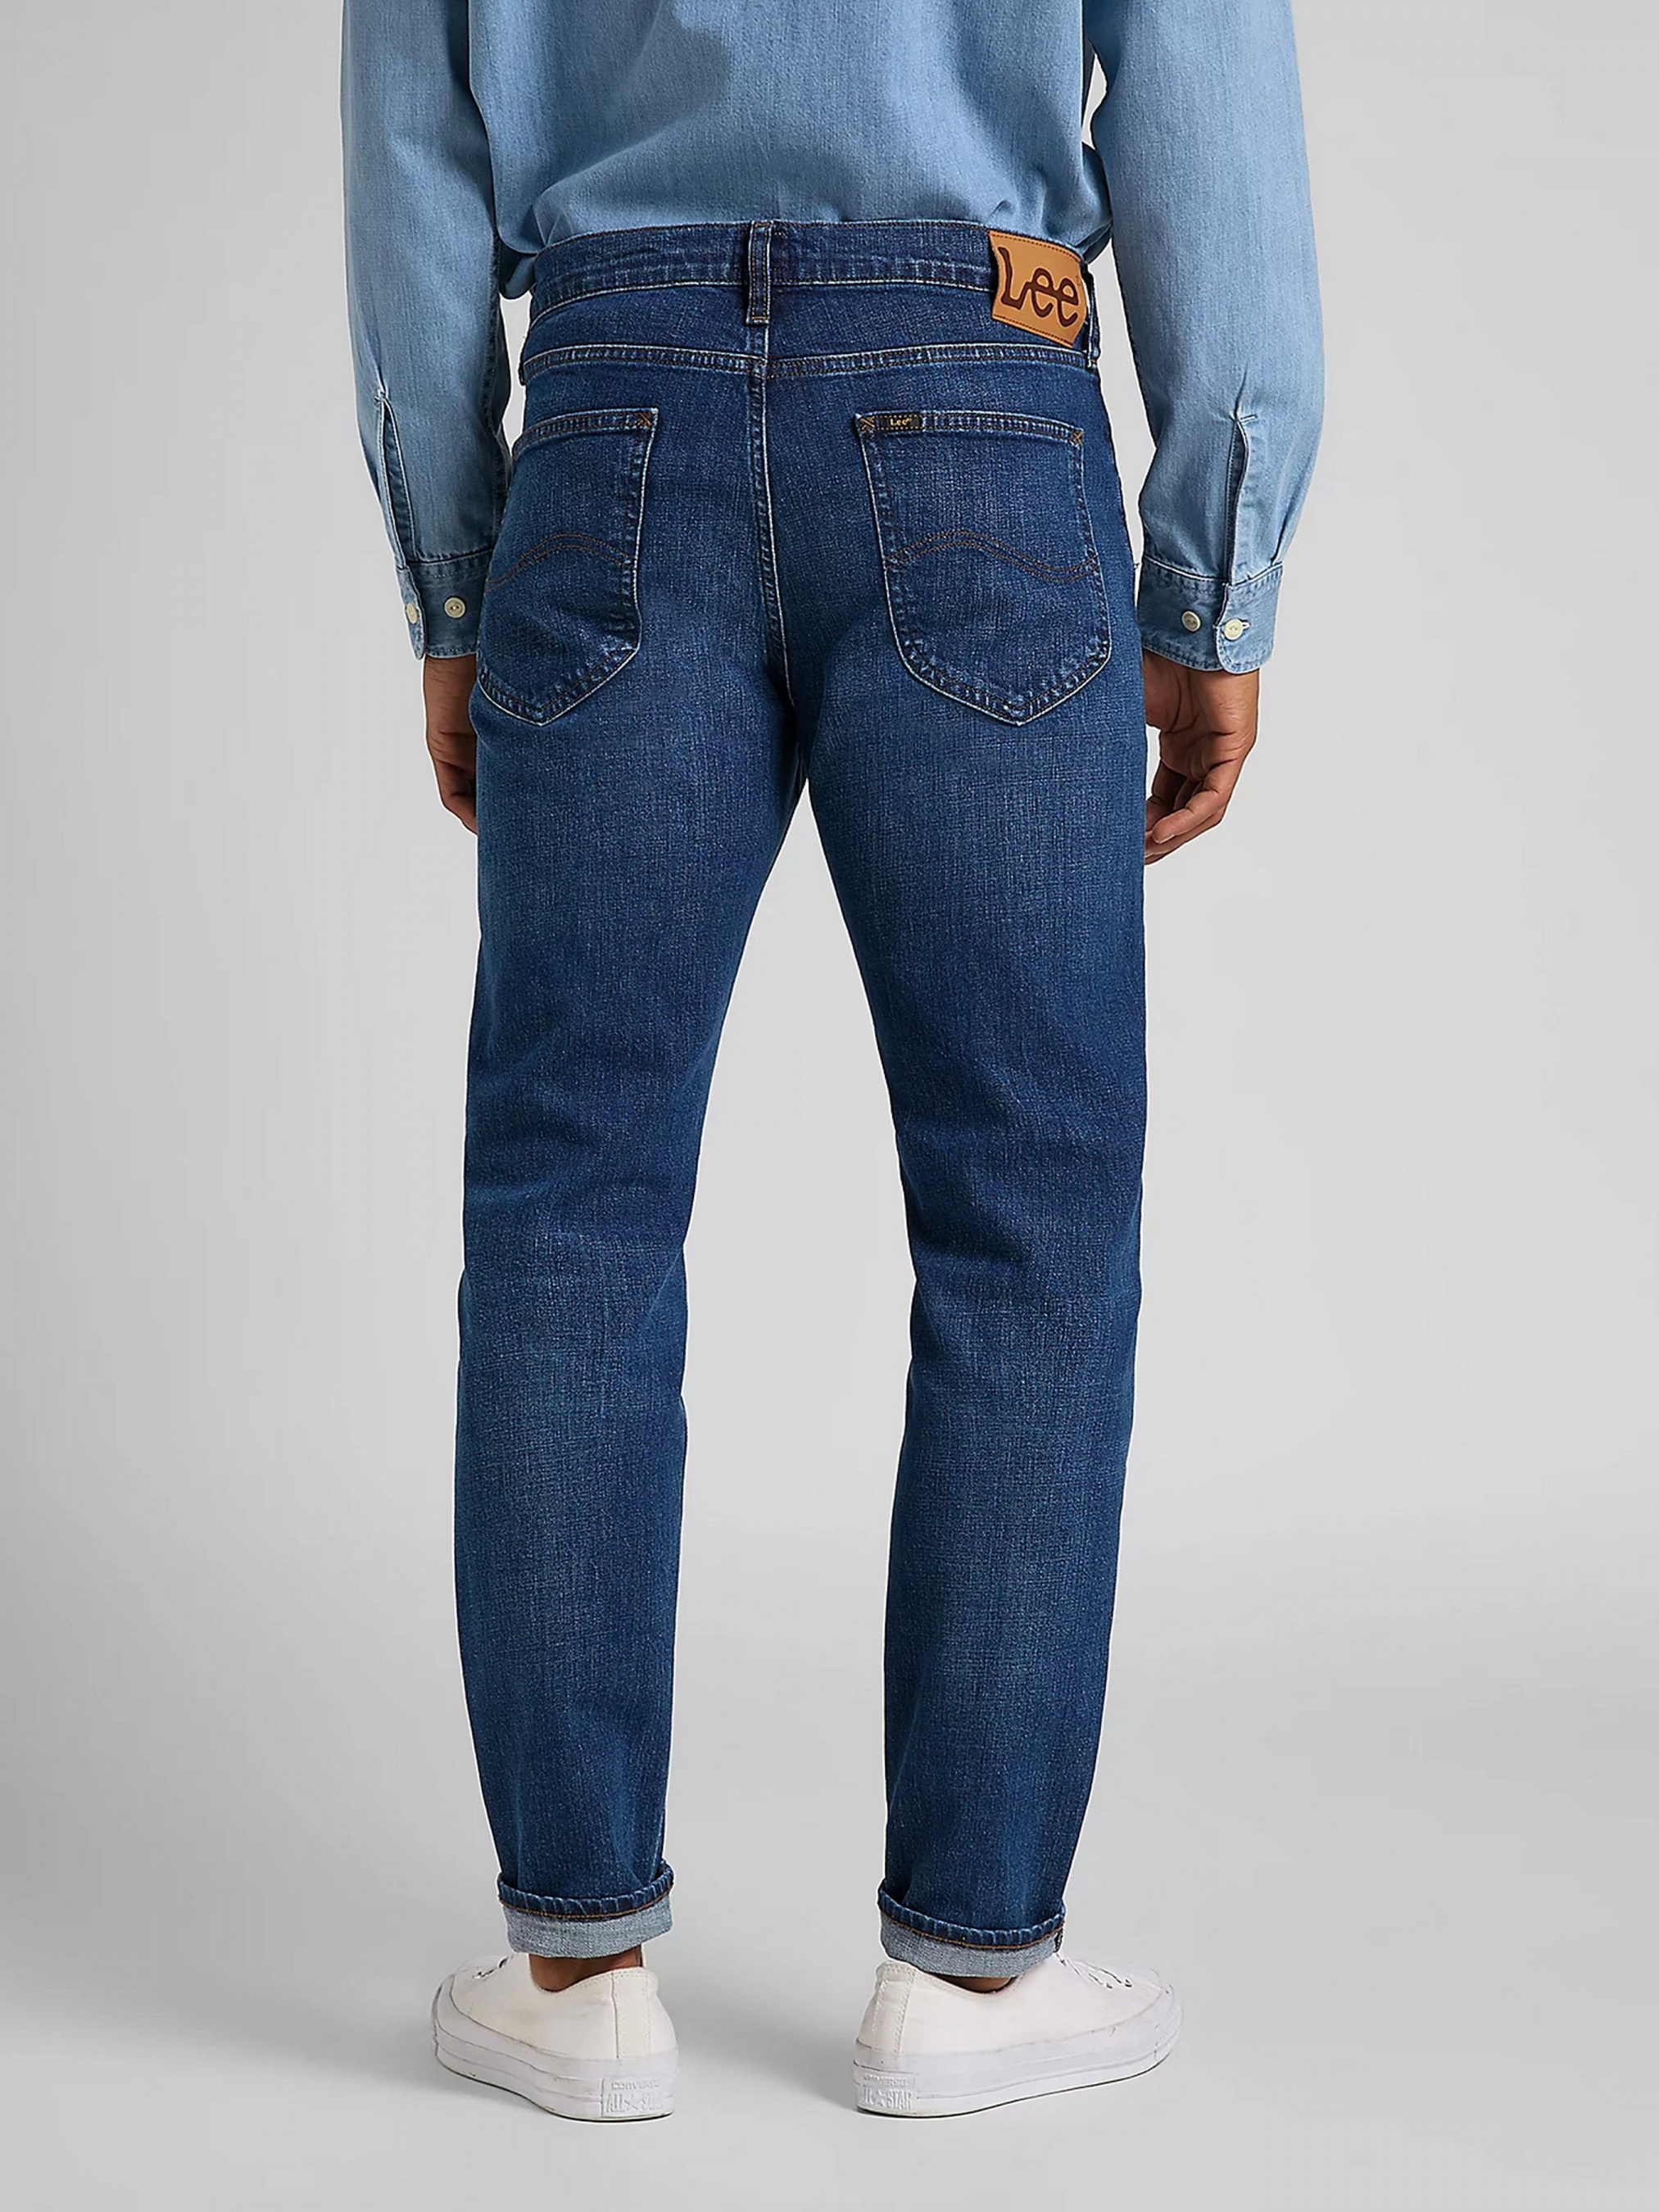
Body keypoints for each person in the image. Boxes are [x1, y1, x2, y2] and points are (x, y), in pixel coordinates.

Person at [342, 0, 1321, 2123]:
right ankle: (968, 1976)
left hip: (609, 424)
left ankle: (574, 1972)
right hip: (984, 406)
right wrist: (1213, 577)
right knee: (1027, 1217)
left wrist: (452, 583)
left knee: (570, 1206)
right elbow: (1206, 98)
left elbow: (413, 137)